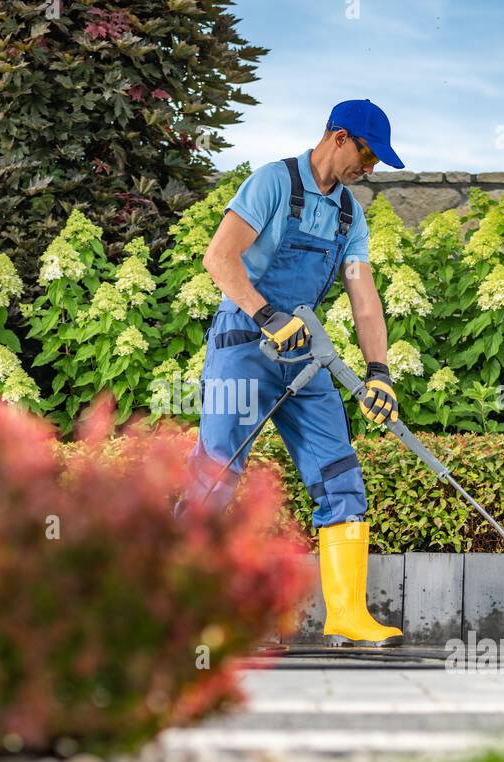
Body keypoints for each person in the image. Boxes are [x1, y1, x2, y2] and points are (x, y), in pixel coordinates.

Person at [181, 99, 406, 646]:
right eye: (368, 154)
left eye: (376, 161)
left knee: (340, 476)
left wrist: (379, 374)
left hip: (305, 353)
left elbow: (365, 301)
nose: (370, 169)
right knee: (216, 471)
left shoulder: (350, 215)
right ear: (338, 137)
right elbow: (220, 258)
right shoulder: (272, 183)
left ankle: (348, 615)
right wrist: (265, 316)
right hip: (244, 342)